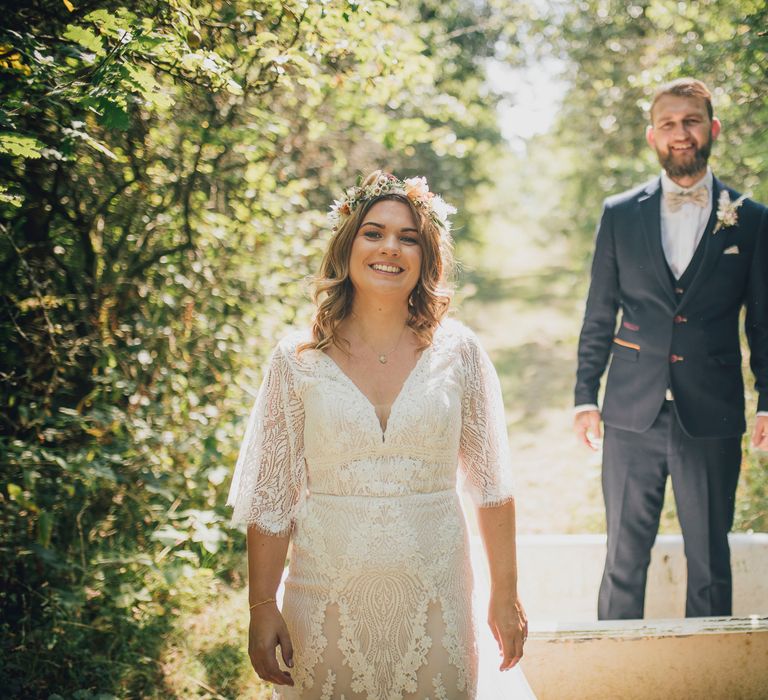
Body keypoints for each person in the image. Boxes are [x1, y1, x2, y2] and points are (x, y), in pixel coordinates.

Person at [227, 171, 531, 698]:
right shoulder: (296, 360)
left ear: (425, 255)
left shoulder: (460, 353)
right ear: (347, 247)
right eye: (374, 232)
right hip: (323, 600)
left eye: (408, 237)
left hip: (437, 597)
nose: (390, 247)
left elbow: (491, 487)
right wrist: (261, 606)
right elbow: (272, 499)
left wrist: (506, 594)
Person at [574, 78, 768, 620]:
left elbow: (765, 324)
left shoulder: (751, 218)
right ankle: (614, 675)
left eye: (691, 121)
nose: (680, 133)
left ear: (713, 129)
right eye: (668, 123)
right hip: (630, 413)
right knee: (622, 557)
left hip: (712, 413)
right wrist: (584, 396)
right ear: (651, 135)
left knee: (710, 557)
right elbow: (598, 313)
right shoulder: (619, 213)